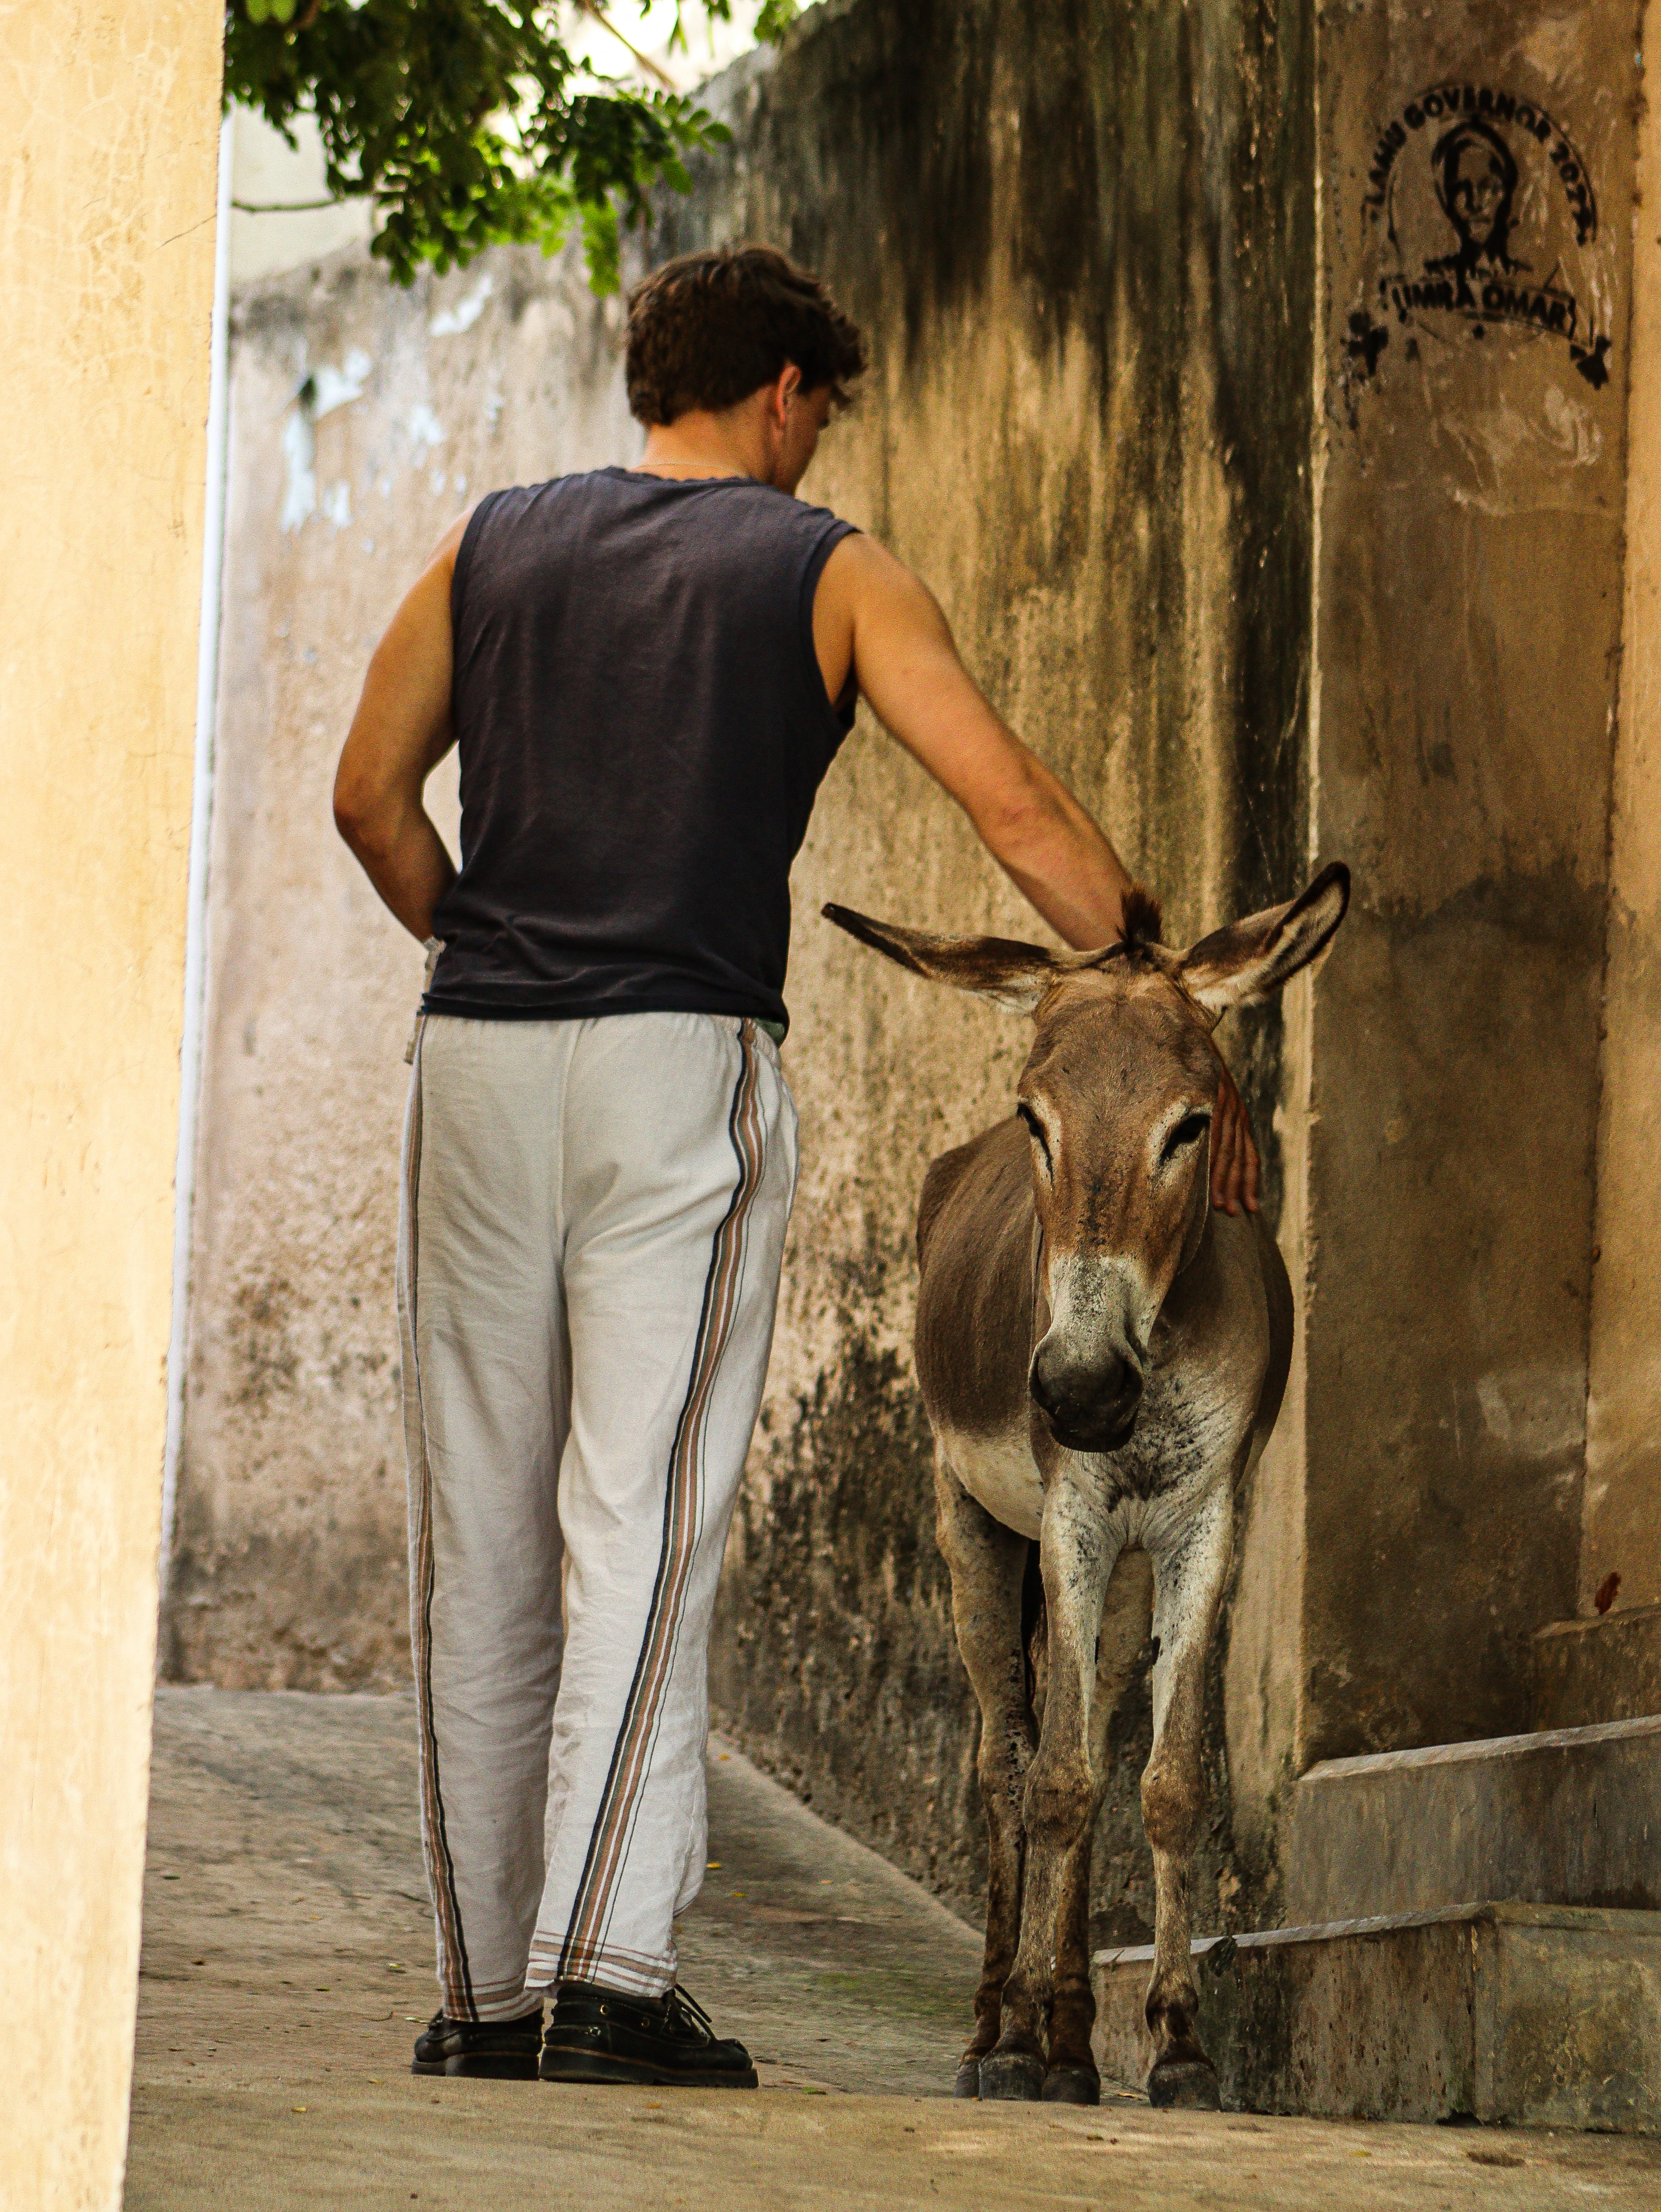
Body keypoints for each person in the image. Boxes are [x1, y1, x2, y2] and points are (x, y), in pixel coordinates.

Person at [332, 244, 1259, 2091]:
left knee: (488, 1525)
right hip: (679, 1062)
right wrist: (1146, 958)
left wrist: (488, 955)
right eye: (821, 409)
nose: (818, 442)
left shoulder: (489, 544)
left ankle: (480, 1996)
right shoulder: (824, 565)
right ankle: (602, 1972)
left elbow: (368, 795)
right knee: (644, 1517)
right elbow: (1012, 813)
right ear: (780, 392)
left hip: (479, 1055)